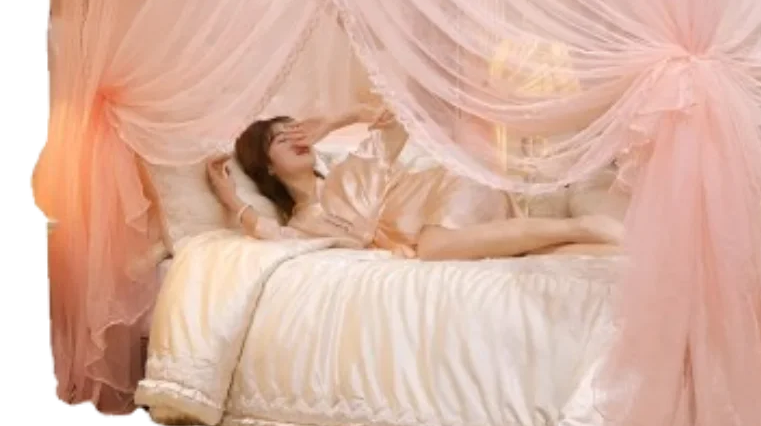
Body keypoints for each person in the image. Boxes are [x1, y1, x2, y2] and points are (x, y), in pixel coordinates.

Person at [206, 104, 623, 261]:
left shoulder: (351, 169)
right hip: (448, 224)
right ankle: (606, 240)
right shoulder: (302, 224)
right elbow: (271, 234)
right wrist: (231, 199)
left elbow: (399, 115)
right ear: (268, 168)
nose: (297, 139)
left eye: (298, 131)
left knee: (434, 247)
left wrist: (339, 119)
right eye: (281, 139)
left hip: (451, 192)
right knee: (525, 252)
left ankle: (582, 226)